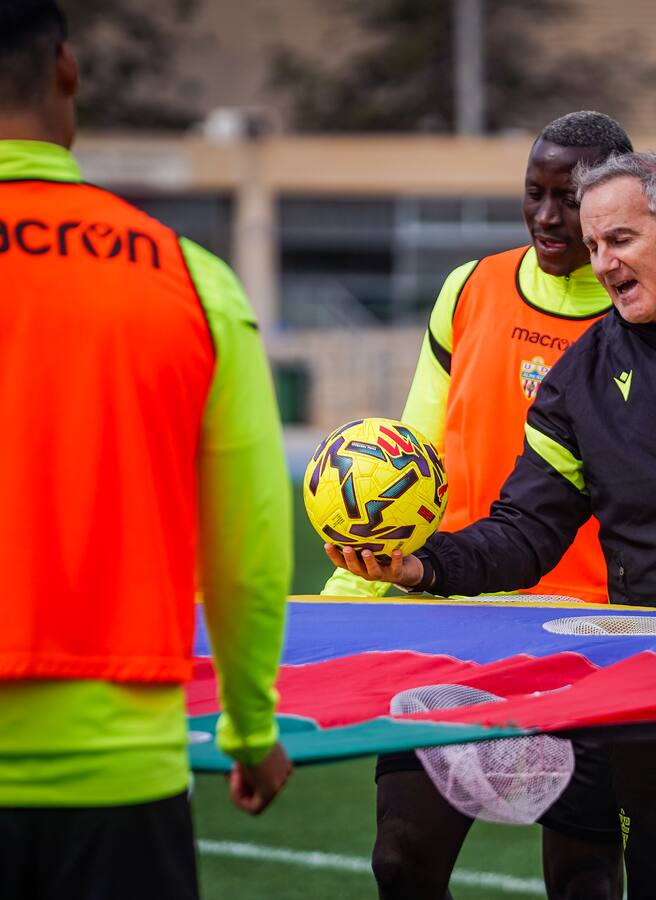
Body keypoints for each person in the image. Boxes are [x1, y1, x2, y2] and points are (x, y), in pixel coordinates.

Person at [330, 150, 656, 900]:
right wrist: (422, 564)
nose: (603, 264)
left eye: (621, 240)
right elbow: (525, 532)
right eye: (594, 245)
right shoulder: (579, 380)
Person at [0, 2, 292, 898]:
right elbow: (248, 540)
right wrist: (250, 729)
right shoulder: (188, 277)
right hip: (121, 775)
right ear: (67, 69)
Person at [324, 112, 631, 900]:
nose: (547, 216)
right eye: (535, 193)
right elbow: (409, 466)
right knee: (401, 860)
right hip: (455, 624)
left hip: (594, 639)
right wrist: (341, 605)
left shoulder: (640, 311)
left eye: (570, 198)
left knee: (586, 881)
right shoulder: (469, 290)